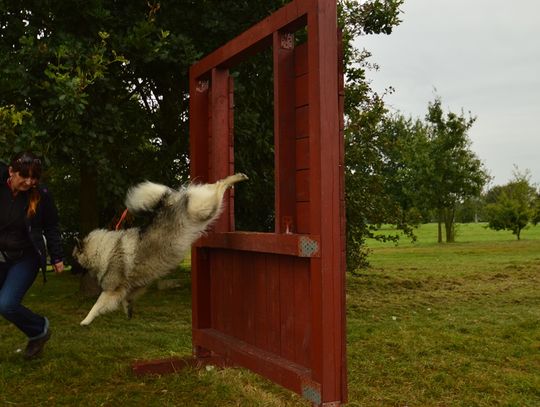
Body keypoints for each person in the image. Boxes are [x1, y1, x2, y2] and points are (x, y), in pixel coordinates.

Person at [0, 151, 64, 359]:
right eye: (24, 176)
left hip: (25, 258)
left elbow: (52, 227)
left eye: (34, 177)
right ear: (11, 171)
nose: (29, 182)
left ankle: (39, 330)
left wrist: (57, 257)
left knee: (7, 304)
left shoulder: (42, 194)